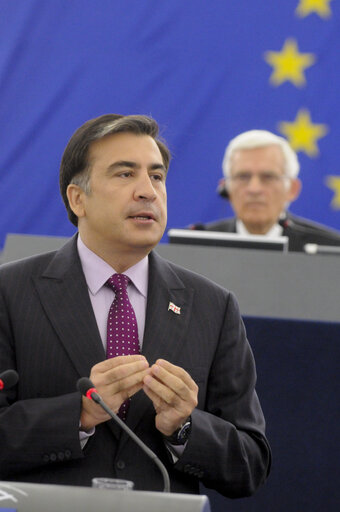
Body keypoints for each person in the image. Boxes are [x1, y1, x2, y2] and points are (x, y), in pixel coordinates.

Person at [0, 114, 270, 497]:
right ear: (78, 199)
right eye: (125, 174)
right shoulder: (10, 293)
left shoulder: (213, 306)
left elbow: (250, 464)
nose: (148, 191)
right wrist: (79, 414)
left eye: (157, 177)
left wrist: (184, 427)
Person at [191, 130, 340, 252]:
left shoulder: (329, 250)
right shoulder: (195, 246)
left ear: (292, 189)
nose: (254, 189)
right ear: (226, 187)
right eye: (243, 177)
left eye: (268, 177)